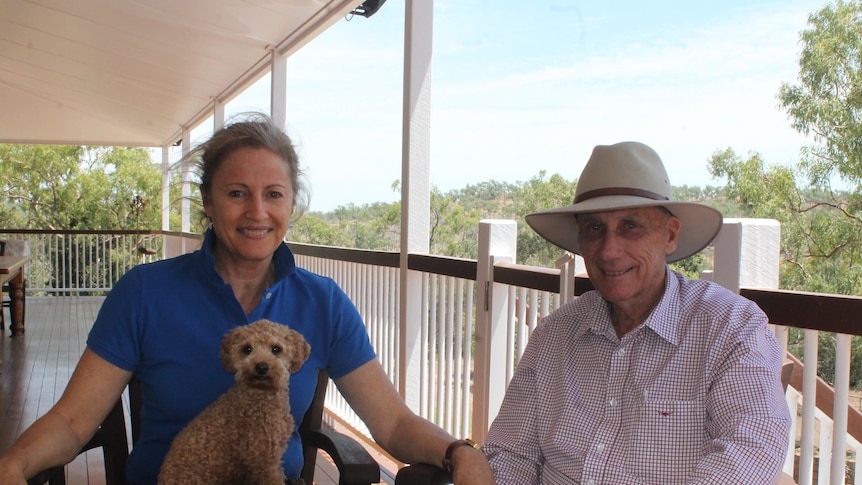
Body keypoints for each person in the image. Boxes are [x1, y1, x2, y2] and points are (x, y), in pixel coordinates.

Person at [0, 113, 493, 485]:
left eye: (273, 194)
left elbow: (394, 421)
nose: (257, 212)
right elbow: (71, 419)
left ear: (291, 205)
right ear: (209, 202)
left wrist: (458, 452)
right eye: (237, 193)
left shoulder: (323, 302)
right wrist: (14, 464)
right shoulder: (144, 292)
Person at [483, 141, 791, 484]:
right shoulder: (554, 335)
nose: (610, 251)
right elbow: (510, 453)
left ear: (670, 235)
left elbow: (751, 447)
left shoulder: (728, 327)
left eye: (631, 226)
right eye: (594, 228)